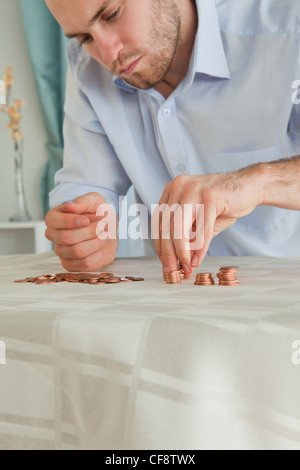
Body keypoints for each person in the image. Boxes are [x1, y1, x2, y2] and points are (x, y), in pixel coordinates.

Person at [44, 0, 300, 278]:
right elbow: (86, 187)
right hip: (176, 299)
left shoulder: (288, 33)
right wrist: (84, 231)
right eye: (85, 38)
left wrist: (259, 183)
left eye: (112, 14)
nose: (108, 53)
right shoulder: (87, 74)